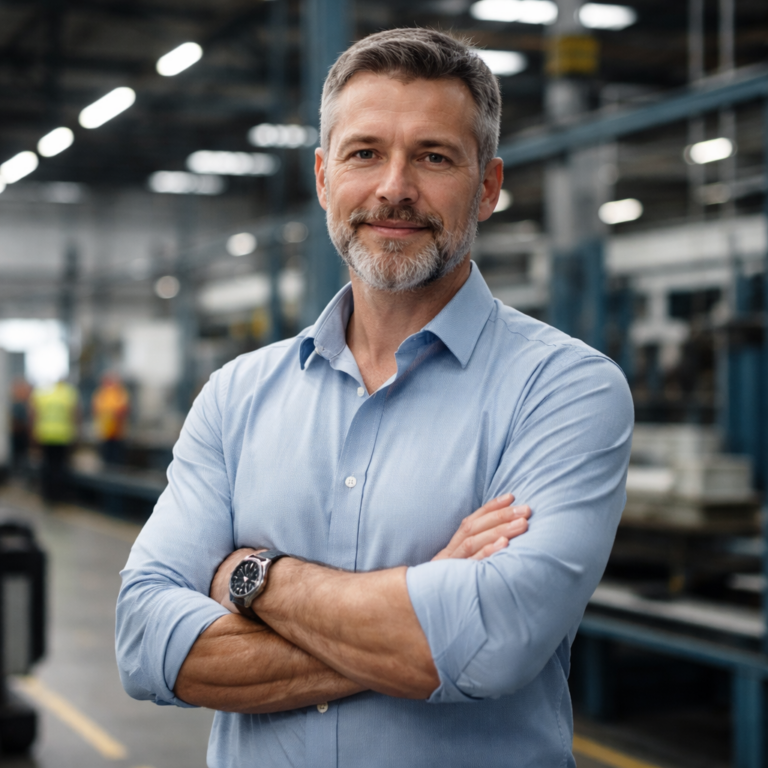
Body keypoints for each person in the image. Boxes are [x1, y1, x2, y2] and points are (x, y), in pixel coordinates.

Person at [117, 28, 633, 768]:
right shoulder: (236, 397)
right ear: (325, 179)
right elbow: (144, 643)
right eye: (365, 153)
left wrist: (253, 577)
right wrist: (420, 612)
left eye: (433, 156)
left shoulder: (564, 390)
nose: (395, 186)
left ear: (487, 187)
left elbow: (491, 647)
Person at [30, 378, 78, 503]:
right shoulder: (68, 393)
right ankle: (58, 495)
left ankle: (47, 495)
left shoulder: (42, 394)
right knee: (60, 467)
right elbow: (74, 414)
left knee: (47, 465)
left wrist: (34, 434)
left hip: (45, 434)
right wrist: (75, 433)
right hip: (62, 435)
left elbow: (34, 414)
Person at [91, 373, 130, 466]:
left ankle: (114, 468)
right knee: (108, 452)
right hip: (106, 430)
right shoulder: (102, 393)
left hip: (116, 430)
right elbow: (96, 410)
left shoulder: (119, 393)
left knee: (115, 453)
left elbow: (123, 410)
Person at [10, 378, 32, 473]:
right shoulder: (17, 405)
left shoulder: (25, 404)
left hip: (23, 434)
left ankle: (22, 473)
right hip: (18, 434)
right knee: (18, 456)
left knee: (23, 456)